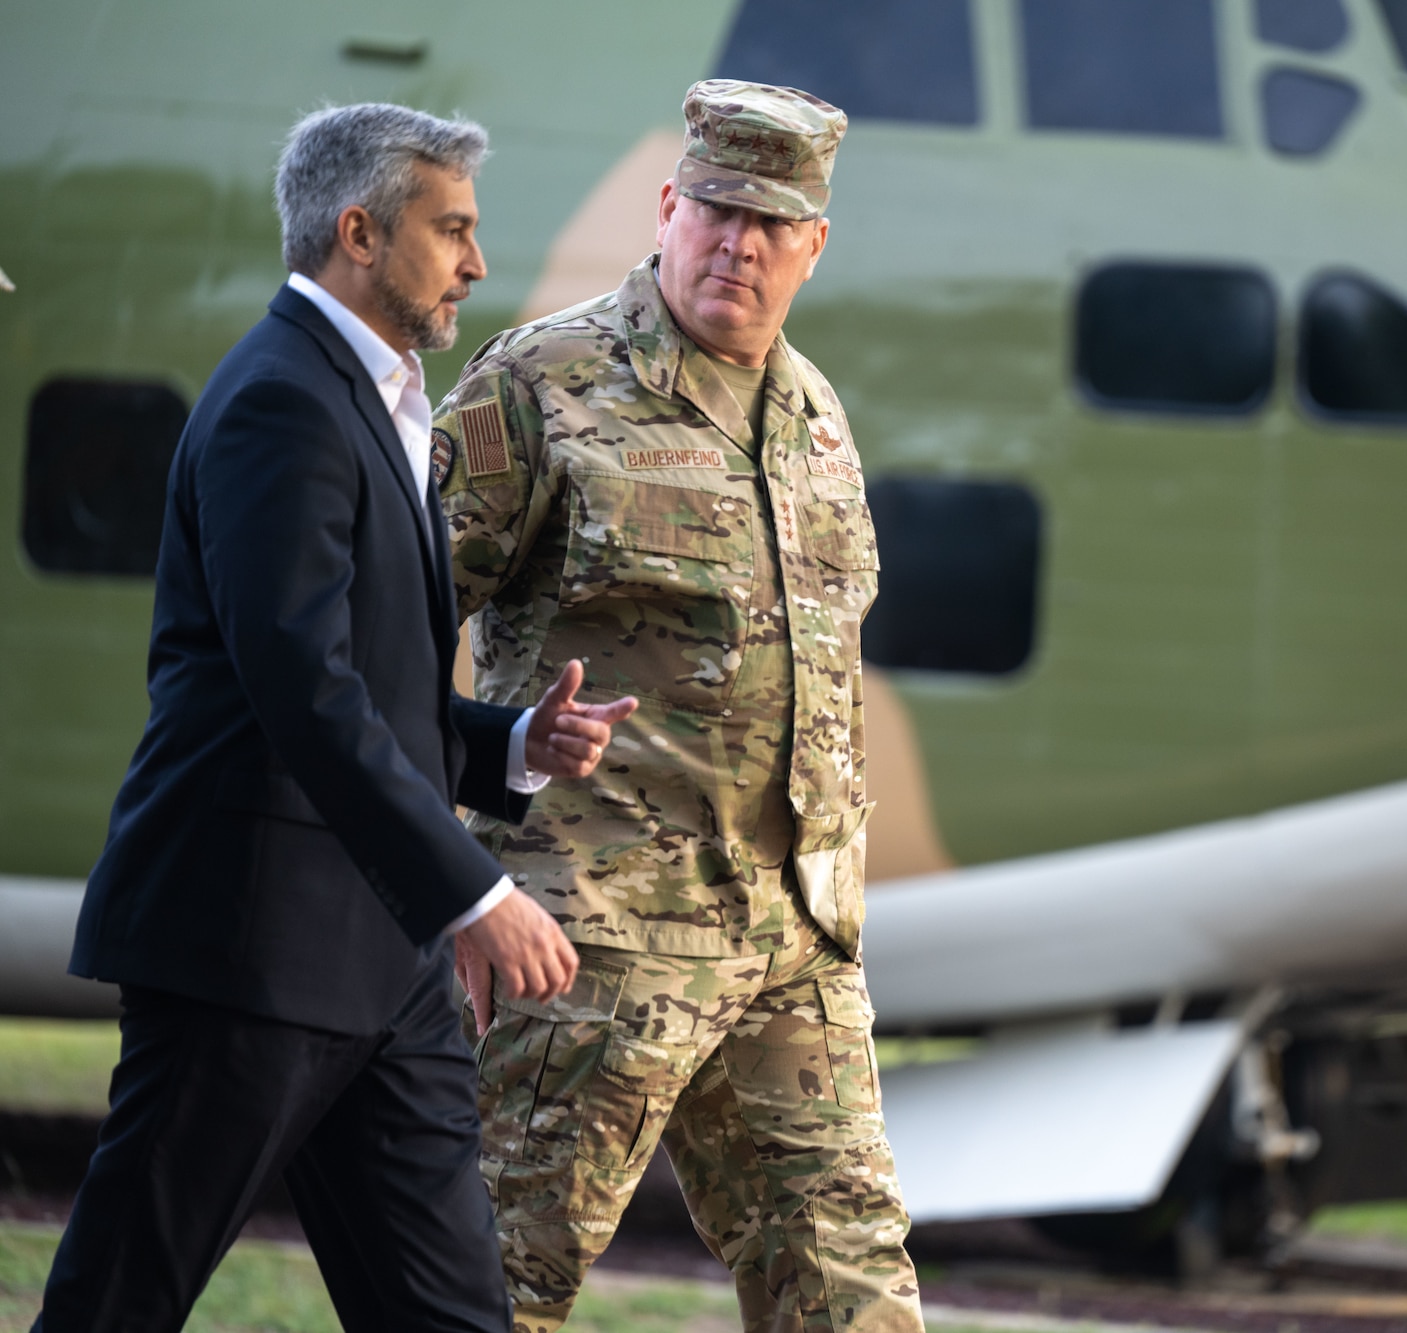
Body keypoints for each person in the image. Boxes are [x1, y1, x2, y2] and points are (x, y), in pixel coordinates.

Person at [35, 104, 637, 1332]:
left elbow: (365, 684)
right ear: (360, 233)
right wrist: (475, 890)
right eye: (451, 229)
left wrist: (508, 746)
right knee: (116, 1305)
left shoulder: (374, 399)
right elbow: (298, 685)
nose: (475, 260)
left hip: (383, 970)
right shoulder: (282, 401)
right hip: (244, 947)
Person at [435, 80, 921, 1333]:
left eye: (769, 223)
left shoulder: (814, 419)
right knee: (491, 1293)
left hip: (792, 944)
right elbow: (374, 627)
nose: (735, 244)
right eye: (712, 209)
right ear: (665, 208)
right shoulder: (538, 385)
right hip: (584, 947)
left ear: (813, 246)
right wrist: (450, 882)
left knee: (850, 1288)